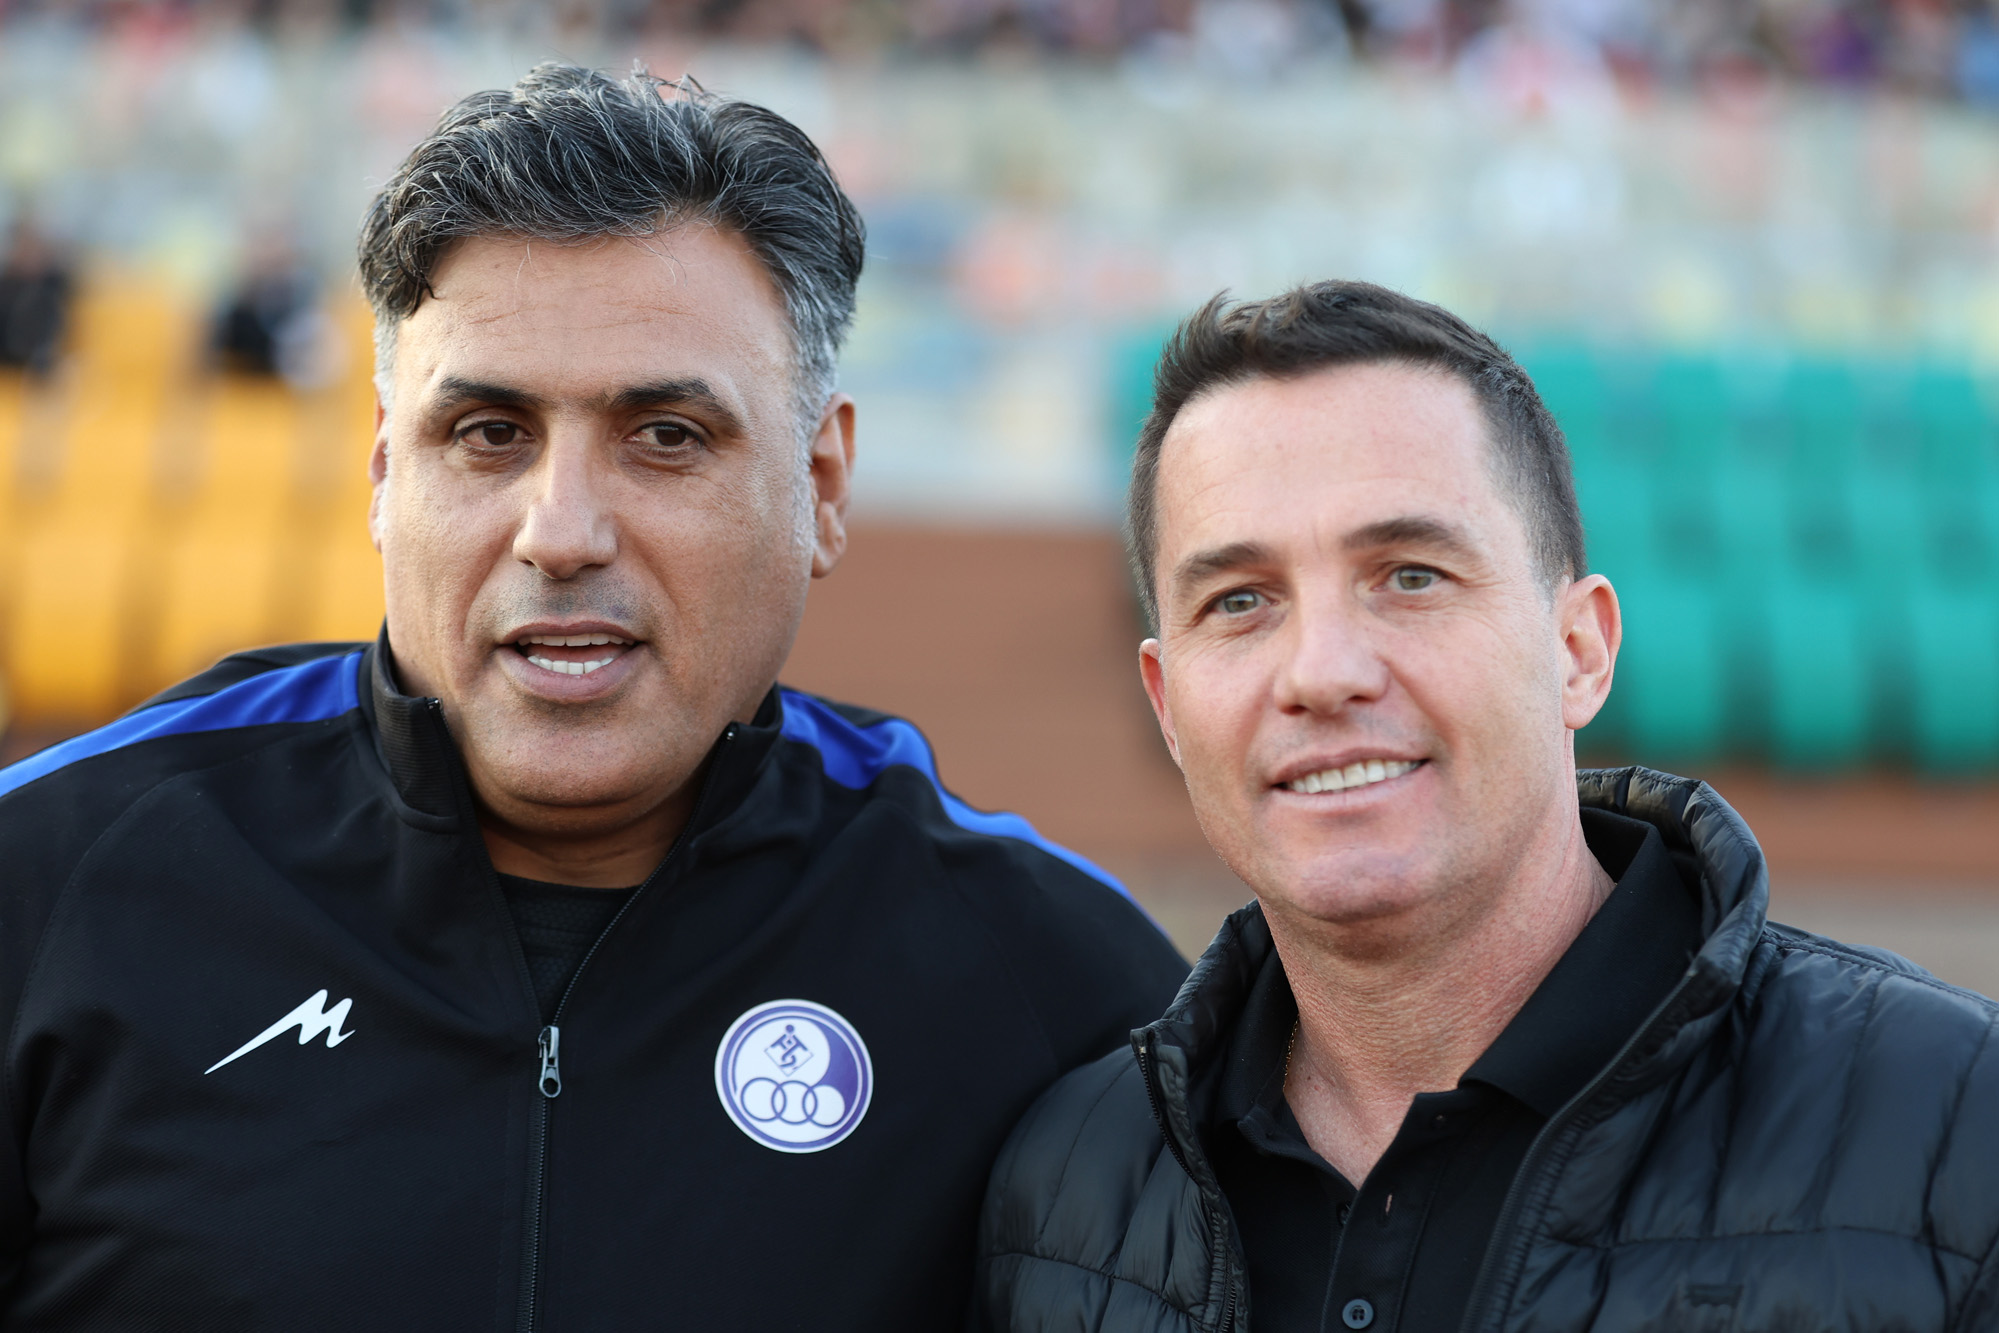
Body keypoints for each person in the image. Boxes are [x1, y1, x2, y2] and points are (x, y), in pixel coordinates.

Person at [0, 65, 1185, 1328]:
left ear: (823, 484)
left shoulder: (1058, 987)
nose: (560, 532)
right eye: (489, 434)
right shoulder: (50, 883)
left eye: (665, 435)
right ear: (385, 473)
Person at [972, 282, 1999, 1332]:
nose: (1320, 672)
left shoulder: (1957, 1122)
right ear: (1167, 707)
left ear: (1578, 650)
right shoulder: (1064, 1195)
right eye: (1239, 601)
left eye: (1409, 576)